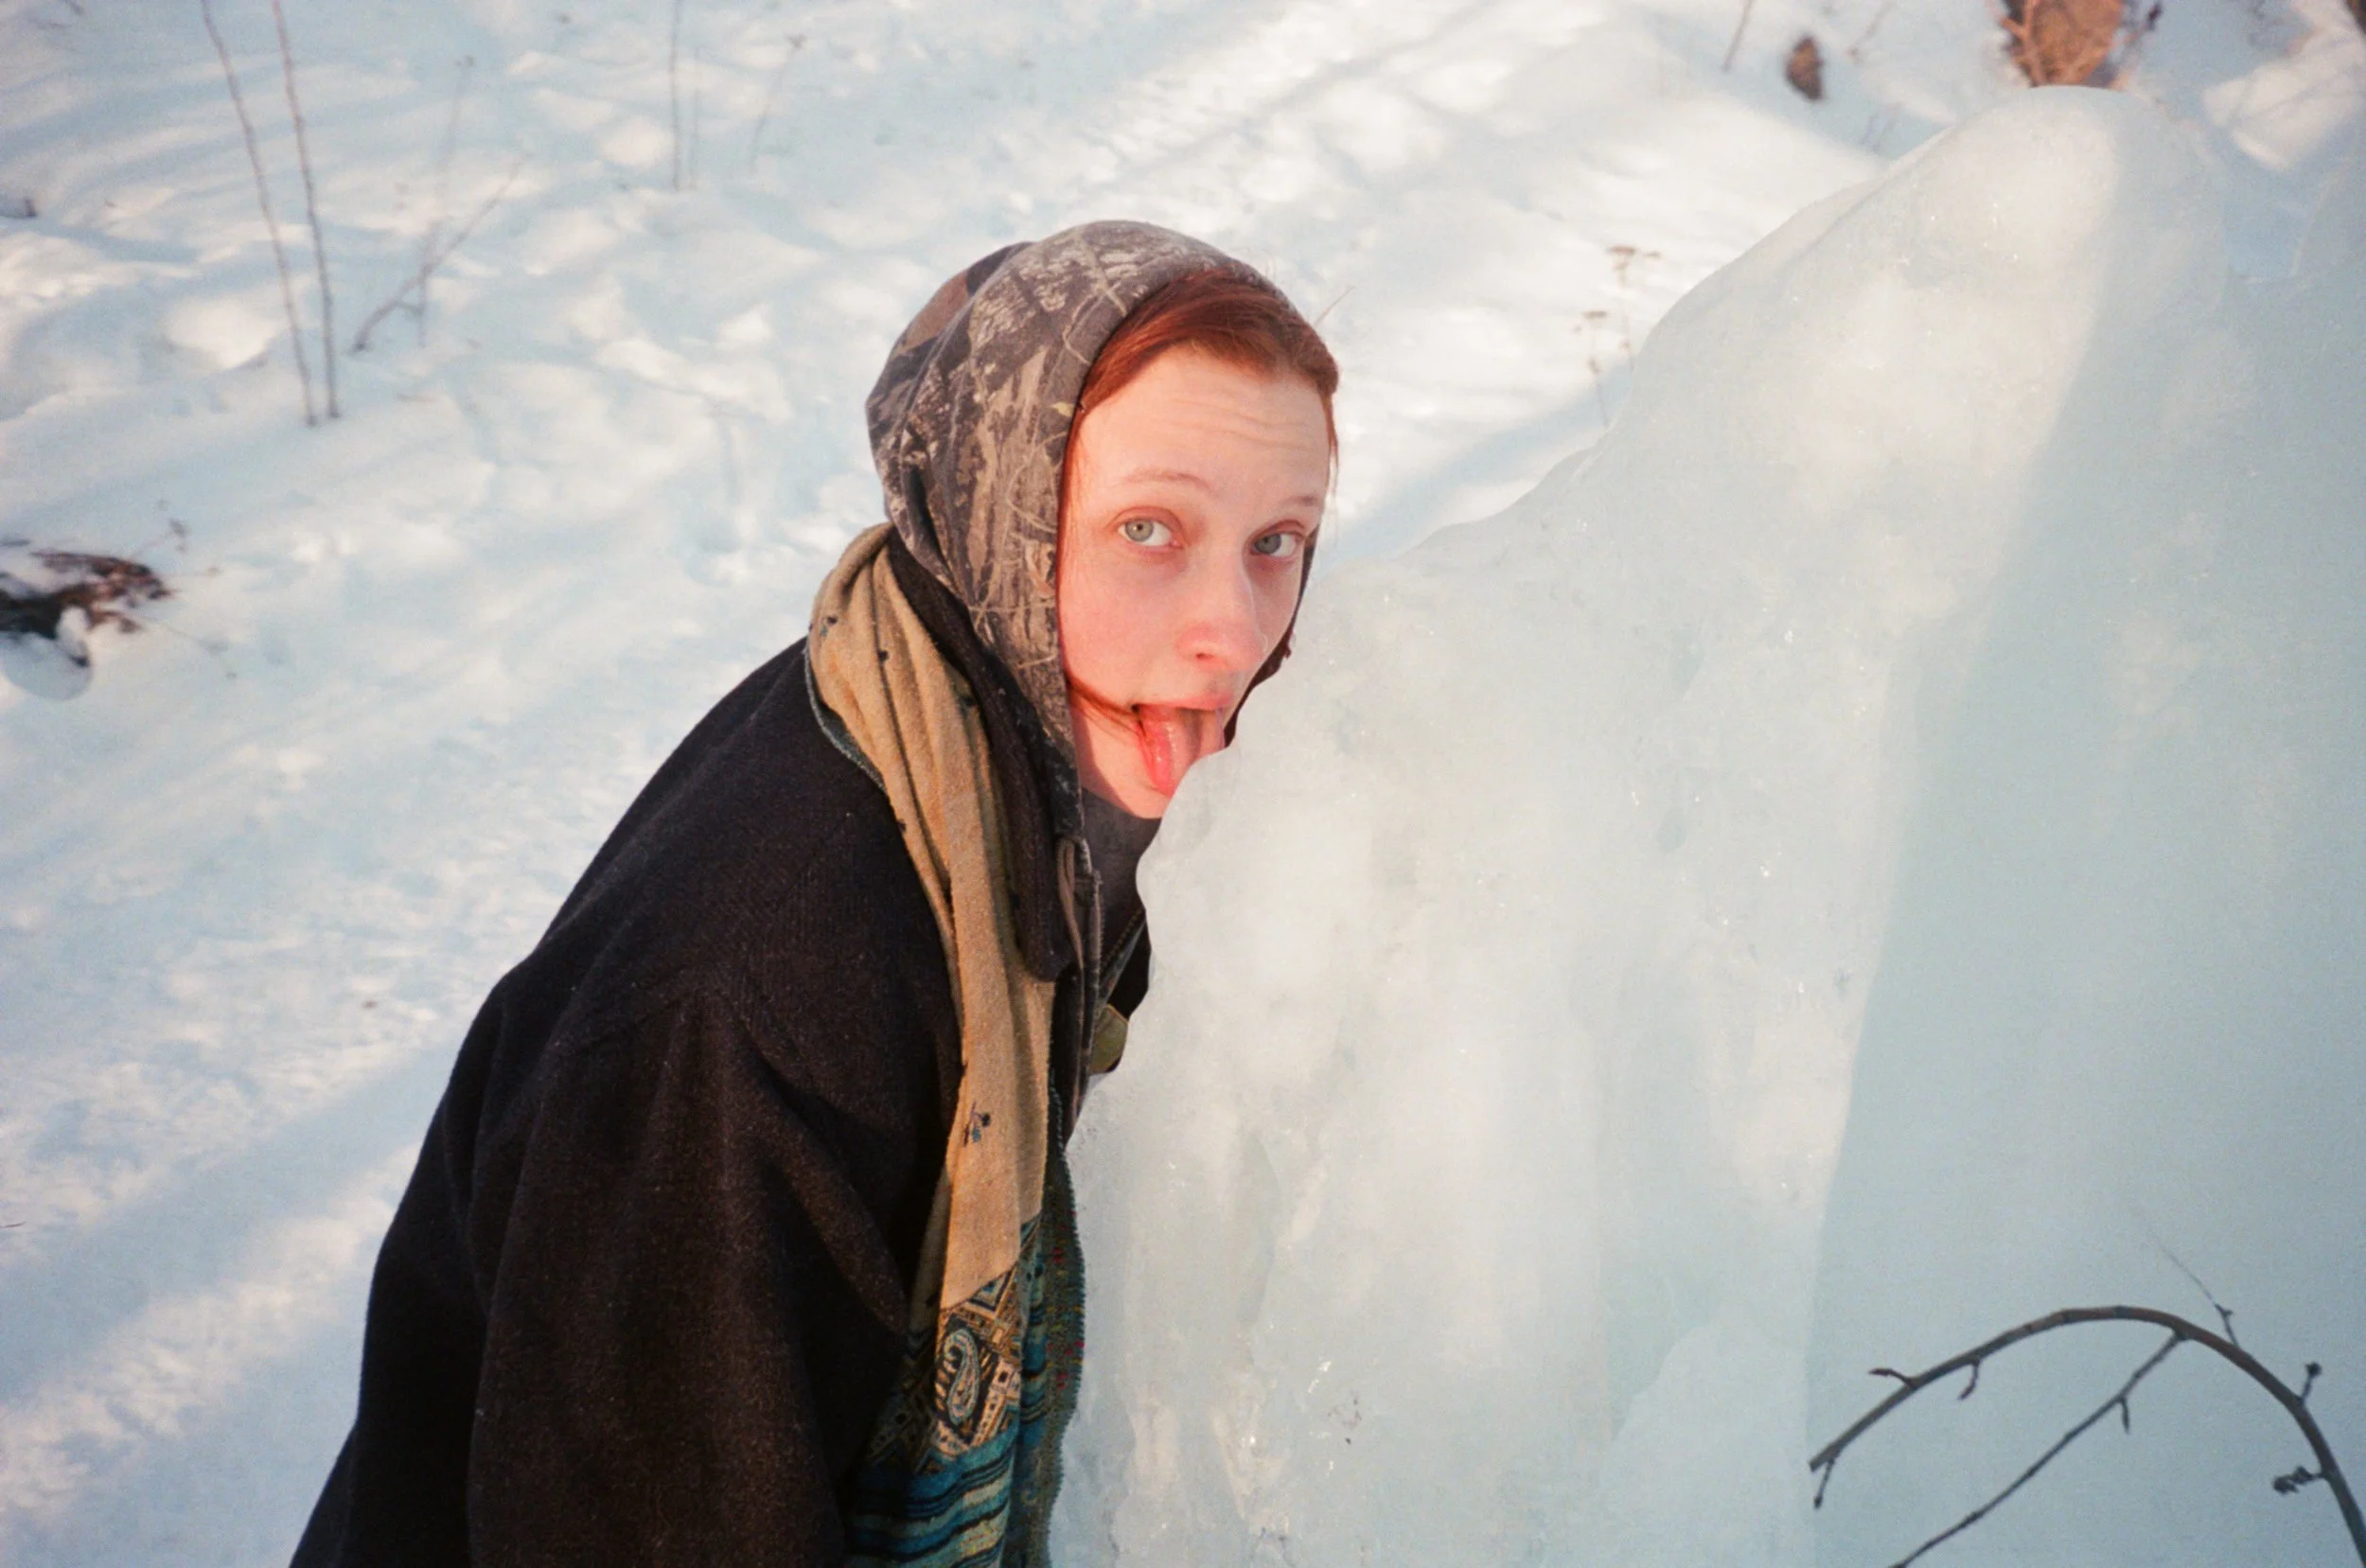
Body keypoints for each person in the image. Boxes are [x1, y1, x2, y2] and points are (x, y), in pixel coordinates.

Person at [291, 221, 1339, 1567]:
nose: (1233, 634)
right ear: (993, 503)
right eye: (1149, 529)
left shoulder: (988, 737)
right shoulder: (756, 995)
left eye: (1276, 543)